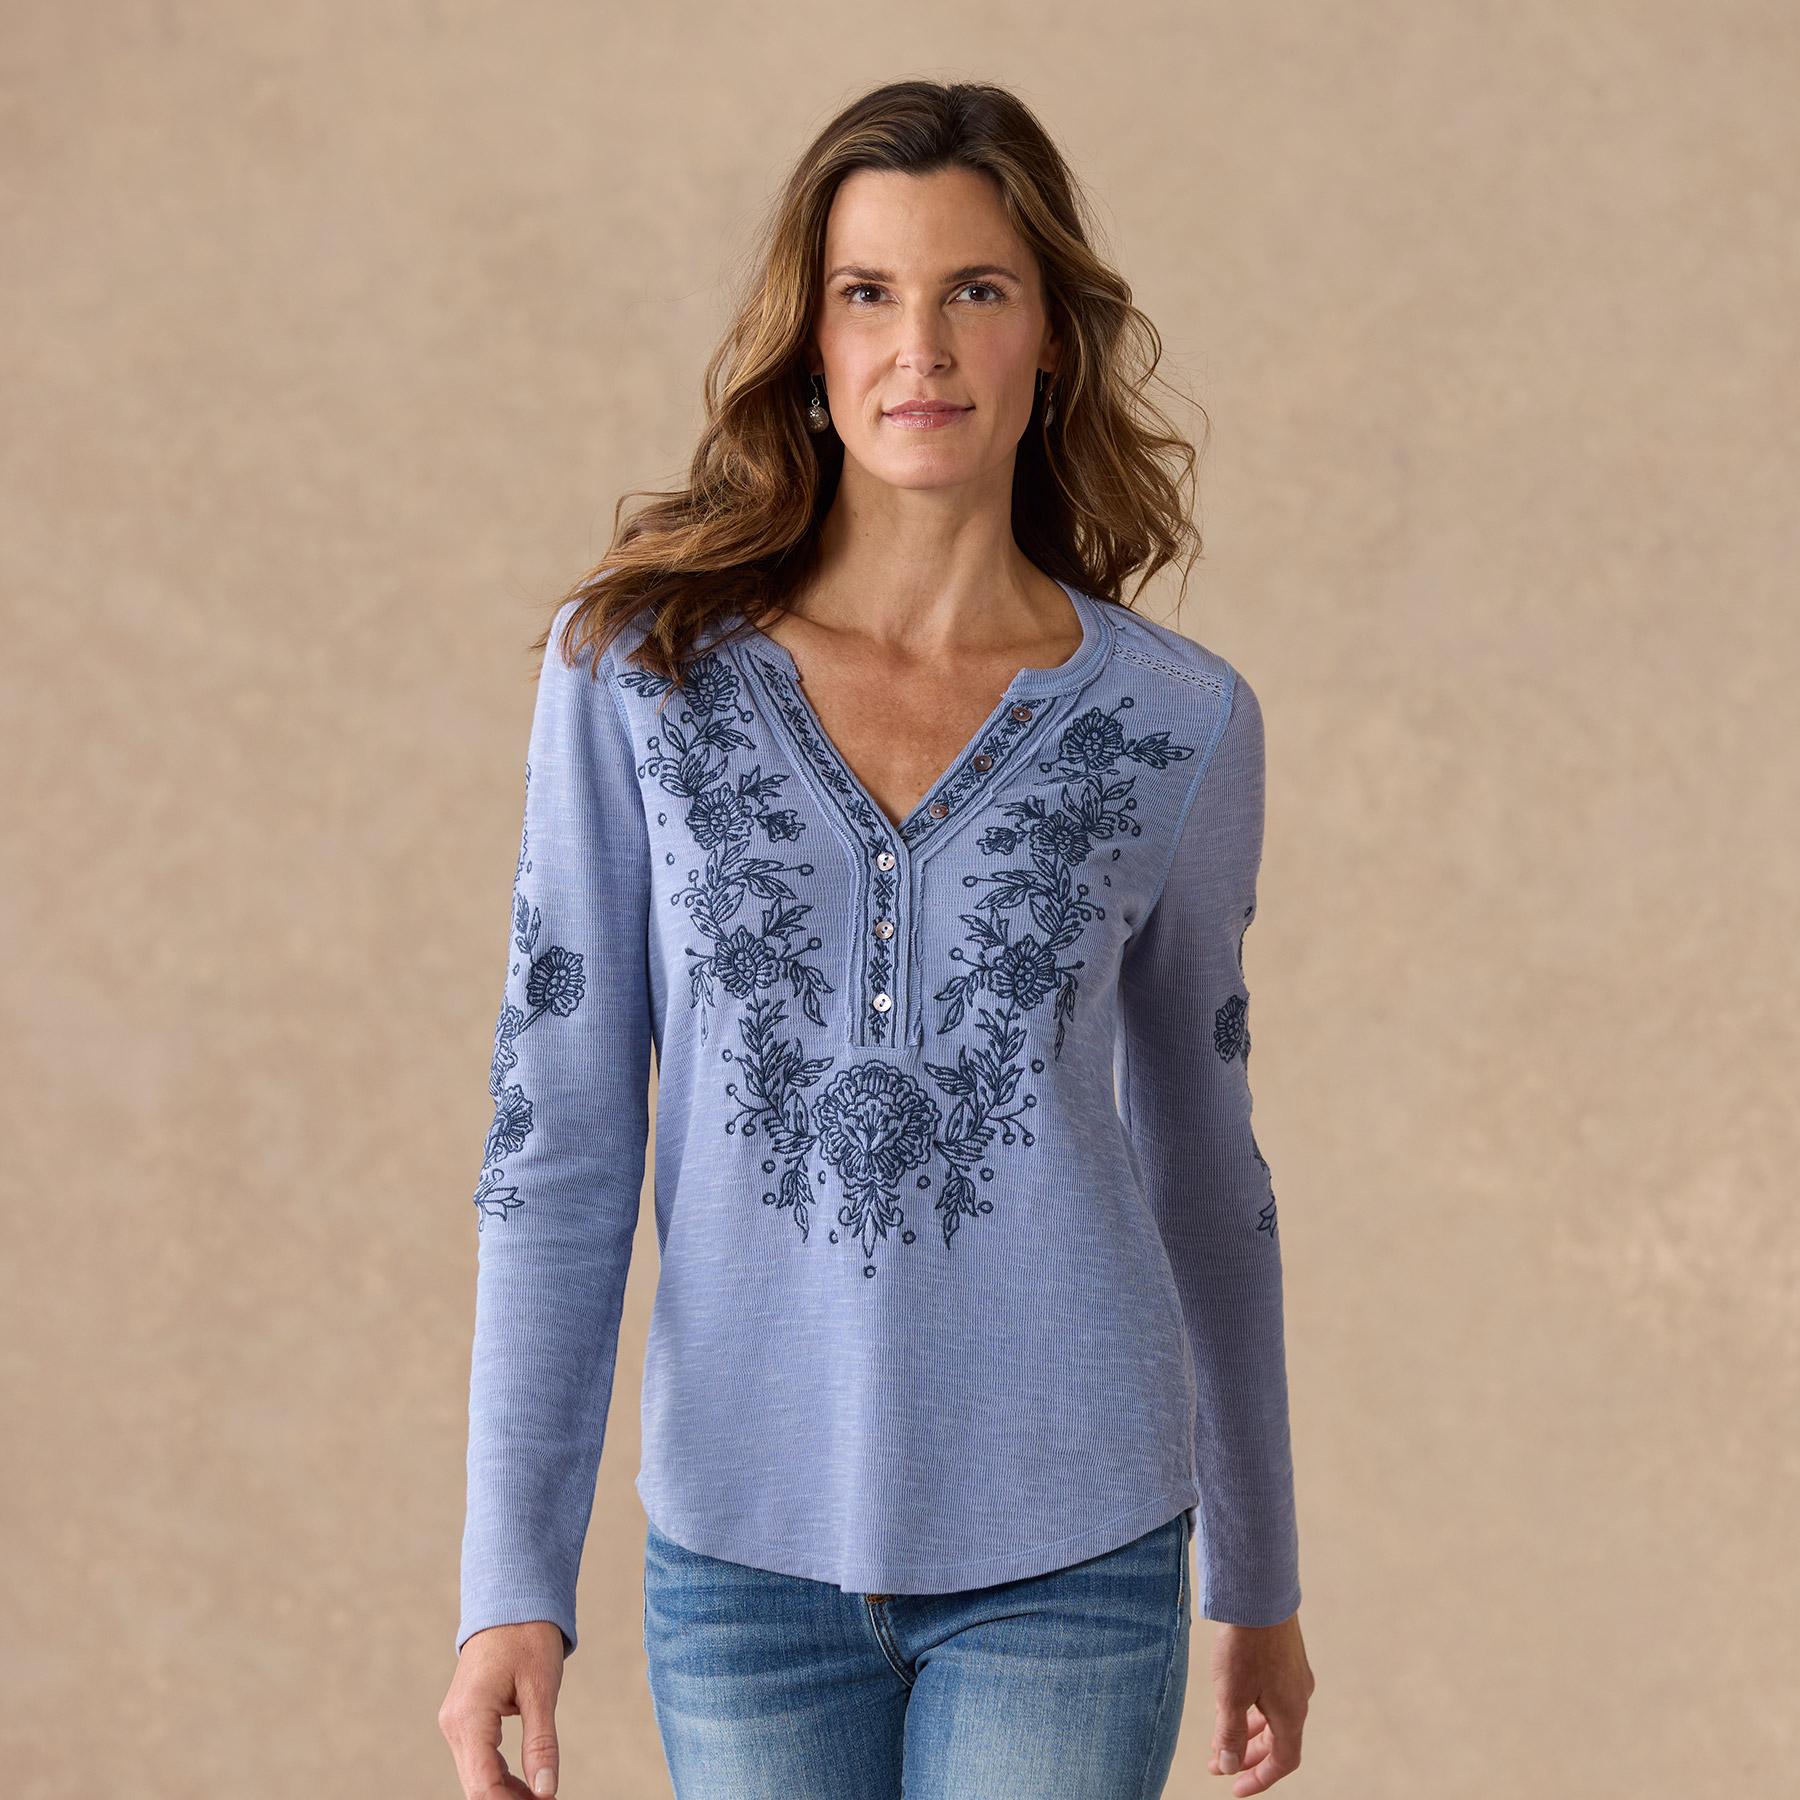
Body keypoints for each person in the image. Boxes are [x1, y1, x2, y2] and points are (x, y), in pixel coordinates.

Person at [438, 76, 1315, 1800]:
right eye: (868, 293)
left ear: (1050, 337)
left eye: (976, 289)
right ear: (813, 343)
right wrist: (507, 1582)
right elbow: (556, 1142)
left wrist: (1263, 1576)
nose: (922, 347)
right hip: (739, 1548)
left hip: (1076, 1541)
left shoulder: (1179, 723)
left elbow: (1211, 1171)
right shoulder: (637, 673)